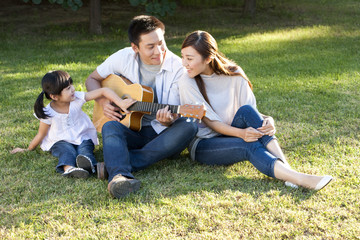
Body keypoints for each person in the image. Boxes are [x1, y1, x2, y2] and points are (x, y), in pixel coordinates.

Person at [179, 30, 333, 190]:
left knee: (246, 111)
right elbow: (212, 123)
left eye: (189, 59)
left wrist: (268, 120)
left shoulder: (234, 74)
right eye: (183, 57)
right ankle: (299, 178)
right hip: (204, 144)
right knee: (247, 144)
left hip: (230, 130)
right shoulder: (186, 81)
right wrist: (242, 134)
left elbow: (251, 112)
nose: (184, 63)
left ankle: (287, 169)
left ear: (209, 58)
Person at [85, 15, 198, 198]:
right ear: (135, 48)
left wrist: (168, 122)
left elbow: (176, 113)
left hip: (160, 134)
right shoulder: (123, 58)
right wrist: (104, 102)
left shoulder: (178, 68)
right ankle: (120, 177)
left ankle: (117, 164)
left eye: (161, 43)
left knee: (189, 125)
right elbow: (92, 79)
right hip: (130, 128)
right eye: (150, 47)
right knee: (110, 125)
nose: (159, 51)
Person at [11, 70, 134, 178]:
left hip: (81, 136)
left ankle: (89, 165)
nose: (73, 89)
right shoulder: (48, 112)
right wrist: (27, 149)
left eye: (71, 85)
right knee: (66, 151)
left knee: (85, 148)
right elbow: (40, 134)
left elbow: (104, 91)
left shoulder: (77, 98)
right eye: (68, 88)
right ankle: (69, 169)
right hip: (60, 140)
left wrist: (120, 102)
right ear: (54, 96)